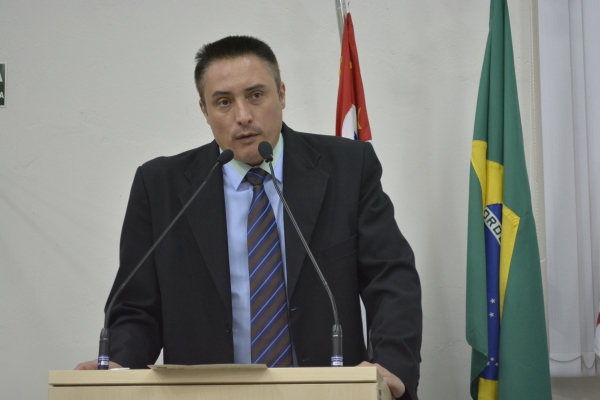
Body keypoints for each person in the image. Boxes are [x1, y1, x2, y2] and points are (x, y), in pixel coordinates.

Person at [76, 36, 422, 399]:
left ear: (282, 94)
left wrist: (390, 363)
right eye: (224, 102)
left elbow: (390, 278)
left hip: (330, 392)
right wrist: (118, 365)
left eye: (256, 95)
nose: (242, 115)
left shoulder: (348, 167)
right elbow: (136, 307)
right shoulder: (159, 186)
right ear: (204, 110)